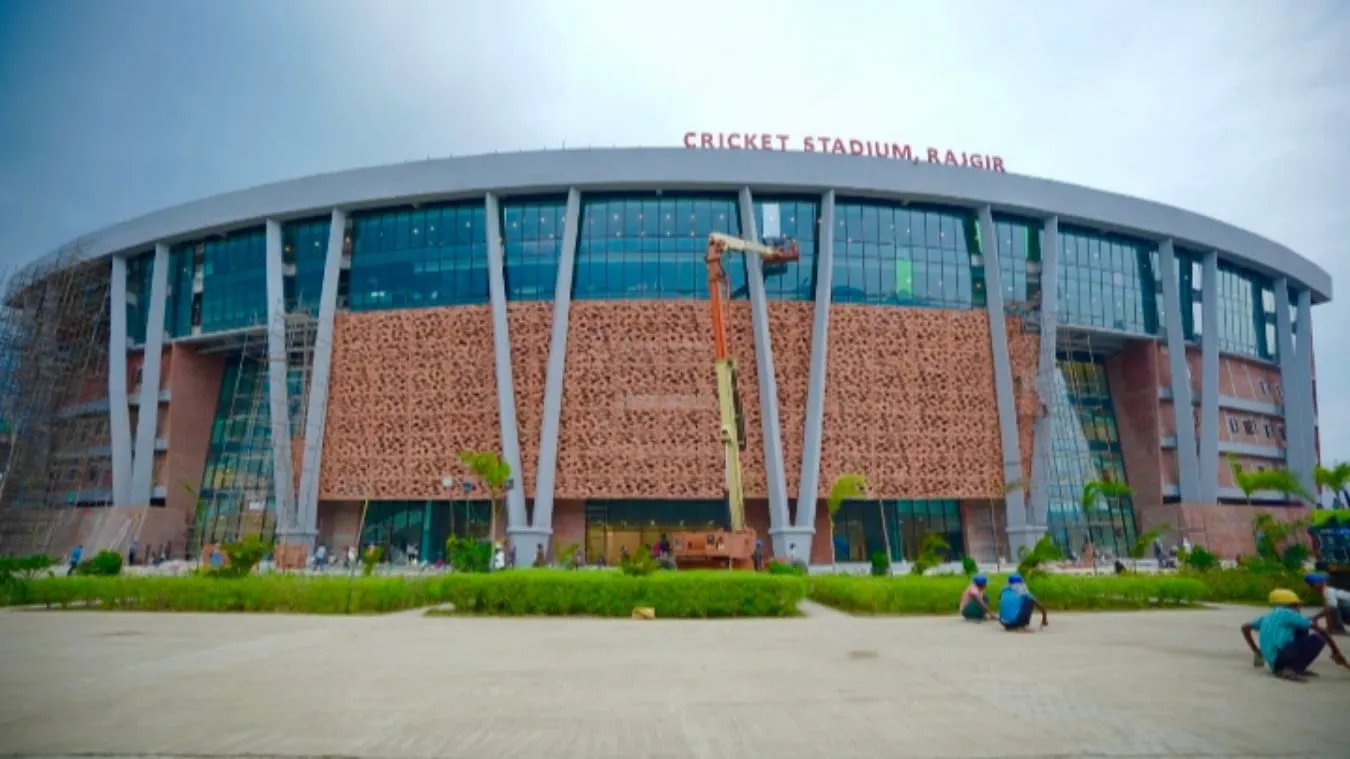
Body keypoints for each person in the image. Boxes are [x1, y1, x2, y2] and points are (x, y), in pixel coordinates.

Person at [1241, 588, 1349, 682]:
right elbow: (1322, 631)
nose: (1299, 609)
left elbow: (1245, 627)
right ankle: (1288, 668)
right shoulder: (1290, 614)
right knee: (1319, 638)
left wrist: (1256, 650)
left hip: (1273, 661)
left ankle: (1293, 667)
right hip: (1282, 656)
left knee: (1302, 629)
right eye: (1298, 606)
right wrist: (1336, 652)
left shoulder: (1268, 615)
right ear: (1293, 605)